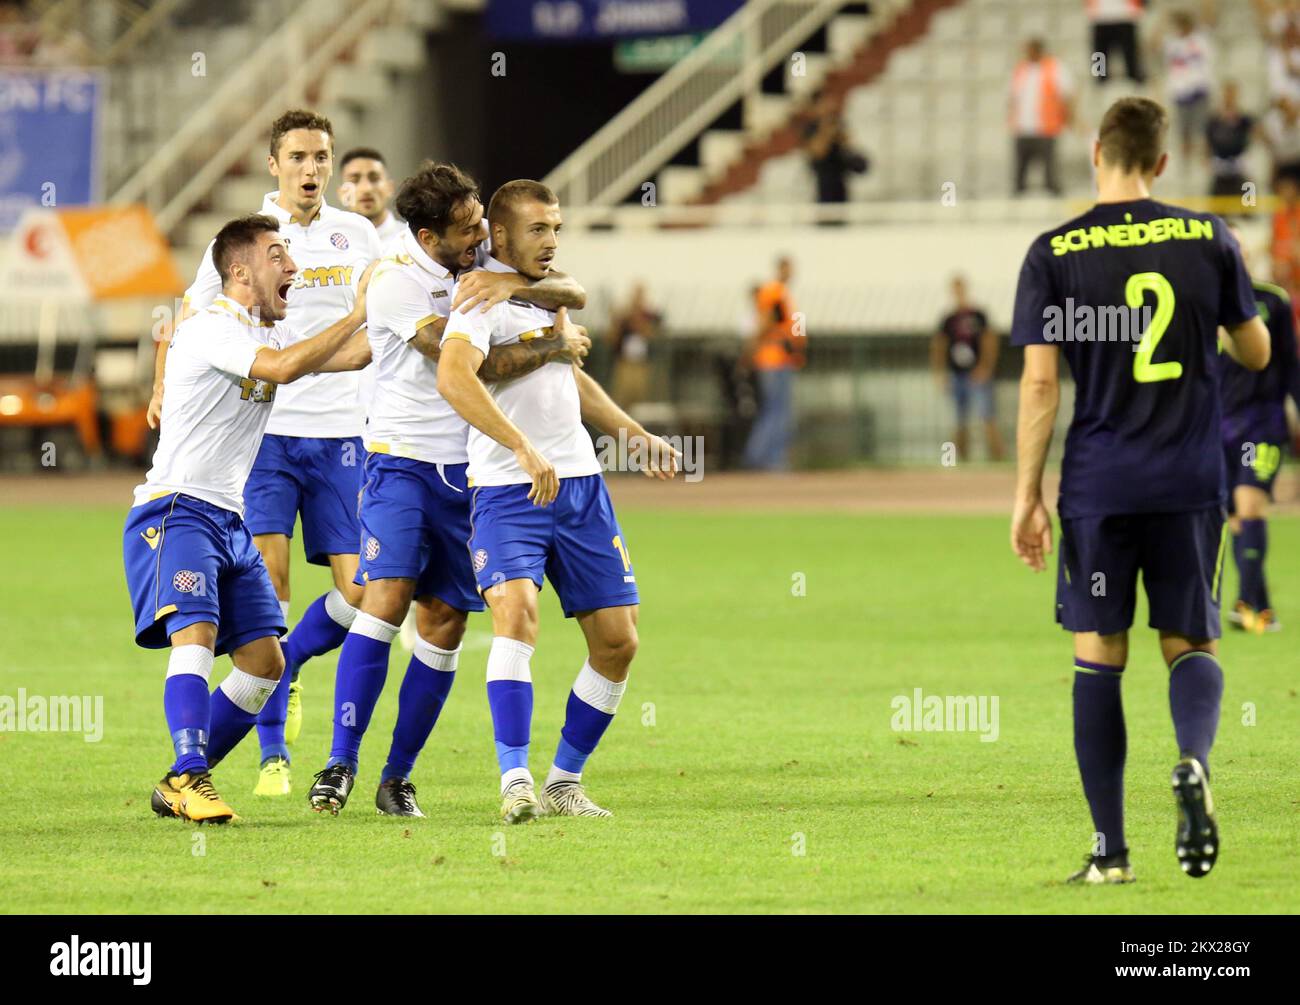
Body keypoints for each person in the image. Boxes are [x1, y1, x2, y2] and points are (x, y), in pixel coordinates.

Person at [1010, 96, 1270, 884]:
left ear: (1097, 153)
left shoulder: (1055, 251)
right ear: (1163, 161)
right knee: (1190, 640)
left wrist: (1028, 492)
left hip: (1100, 483)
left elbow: (1041, 384)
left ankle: (1110, 853)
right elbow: (1255, 351)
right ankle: (1192, 760)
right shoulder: (1206, 236)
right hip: (1190, 477)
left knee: (1100, 654)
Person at [306, 164, 590, 816]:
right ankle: (339, 760)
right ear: (429, 235)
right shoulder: (395, 282)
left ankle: (396, 775)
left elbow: (571, 287)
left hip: (473, 473)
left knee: (444, 625)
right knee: (385, 598)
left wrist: (515, 279)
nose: (481, 237)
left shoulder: (481, 257)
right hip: (402, 462)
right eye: (467, 231)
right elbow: (472, 365)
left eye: (482, 226)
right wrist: (553, 344)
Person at [152, 109, 383, 798]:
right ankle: (273, 753)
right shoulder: (249, 240)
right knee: (269, 593)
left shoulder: (358, 234)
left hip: (343, 431)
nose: (312, 168)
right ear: (274, 164)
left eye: (322, 156)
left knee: (361, 591)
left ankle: (294, 664)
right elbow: (191, 315)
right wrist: (165, 383)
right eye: (300, 156)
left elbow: (384, 325)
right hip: (264, 436)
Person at [437, 179, 681, 823]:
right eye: (538, 229)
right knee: (515, 616)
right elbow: (454, 377)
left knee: (619, 642)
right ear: (500, 234)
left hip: (578, 487)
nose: (551, 240)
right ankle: (514, 777)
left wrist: (634, 436)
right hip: (507, 489)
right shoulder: (474, 300)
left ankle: (563, 782)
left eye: (557, 228)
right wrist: (519, 446)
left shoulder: (540, 294)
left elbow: (569, 376)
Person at [1218, 228, 1300, 633]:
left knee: (1250, 507)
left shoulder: (1272, 301)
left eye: (1239, 248)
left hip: (1262, 422)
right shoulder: (1198, 306)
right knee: (1235, 517)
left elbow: (1291, 365)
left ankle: (1247, 604)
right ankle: (1262, 608)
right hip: (1215, 427)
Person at [743, 257, 805, 470]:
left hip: (783, 359)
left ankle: (767, 457)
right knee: (776, 411)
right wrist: (752, 349)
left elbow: (794, 324)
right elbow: (766, 321)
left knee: (777, 410)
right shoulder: (774, 292)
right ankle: (767, 457)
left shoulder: (784, 294)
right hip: (774, 359)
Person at [933, 276, 1004, 461]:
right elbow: (939, 345)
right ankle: (956, 460)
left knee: (986, 416)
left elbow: (990, 341)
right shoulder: (948, 318)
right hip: (956, 375)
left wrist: (985, 367)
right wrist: (940, 373)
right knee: (958, 419)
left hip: (977, 374)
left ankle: (998, 458)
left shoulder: (978, 315)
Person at [1009, 39, 1074, 196]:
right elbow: (1012, 97)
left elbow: (1068, 94)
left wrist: (1069, 117)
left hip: (1046, 127)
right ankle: (1018, 197)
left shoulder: (1055, 68)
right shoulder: (1020, 69)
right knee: (1020, 170)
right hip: (1023, 128)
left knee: (1050, 169)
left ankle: (1054, 196)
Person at [801, 88, 868, 215]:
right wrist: (826, 132)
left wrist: (840, 136)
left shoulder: (838, 124)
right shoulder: (810, 129)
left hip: (840, 181)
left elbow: (849, 146)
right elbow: (817, 152)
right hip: (822, 184)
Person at [338, 146, 404, 249]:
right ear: (341, 193)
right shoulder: (328, 244)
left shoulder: (411, 242)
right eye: (355, 180)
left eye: (374, 179)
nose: (366, 188)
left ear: (390, 188)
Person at [608, 283, 661, 408]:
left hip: (642, 365)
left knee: (641, 400)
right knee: (622, 400)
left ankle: (637, 427)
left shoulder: (649, 315)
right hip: (625, 364)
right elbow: (612, 338)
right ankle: (622, 428)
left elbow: (655, 333)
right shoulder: (624, 317)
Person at [1205, 81, 1258, 199]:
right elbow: (1208, 137)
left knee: (1249, 184)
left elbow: (1254, 132)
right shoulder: (1215, 118)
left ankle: (1249, 210)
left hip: (1239, 160)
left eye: (1232, 94)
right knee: (1217, 192)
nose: (1229, 97)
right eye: (1227, 93)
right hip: (1220, 161)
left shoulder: (1244, 118)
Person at [1086, 0, 1146, 85]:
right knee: (1099, 58)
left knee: (1131, 57)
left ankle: (1134, 78)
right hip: (1100, 18)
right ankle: (1100, 81)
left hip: (1125, 16)